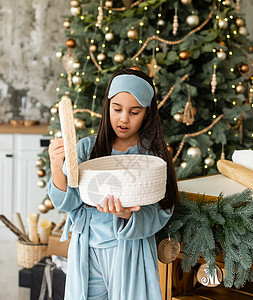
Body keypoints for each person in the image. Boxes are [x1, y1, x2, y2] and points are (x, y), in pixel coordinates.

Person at [47, 68, 179, 300]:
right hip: (87, 249)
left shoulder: (153, 157)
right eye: (117, 109)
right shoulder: (88, 148)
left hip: (129, 251)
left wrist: (128, 215)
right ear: (107, 106)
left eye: (134, 112)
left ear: (147, 114)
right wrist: (57, 167)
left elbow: (162, 210)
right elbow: (67, 202)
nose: (124, 119)